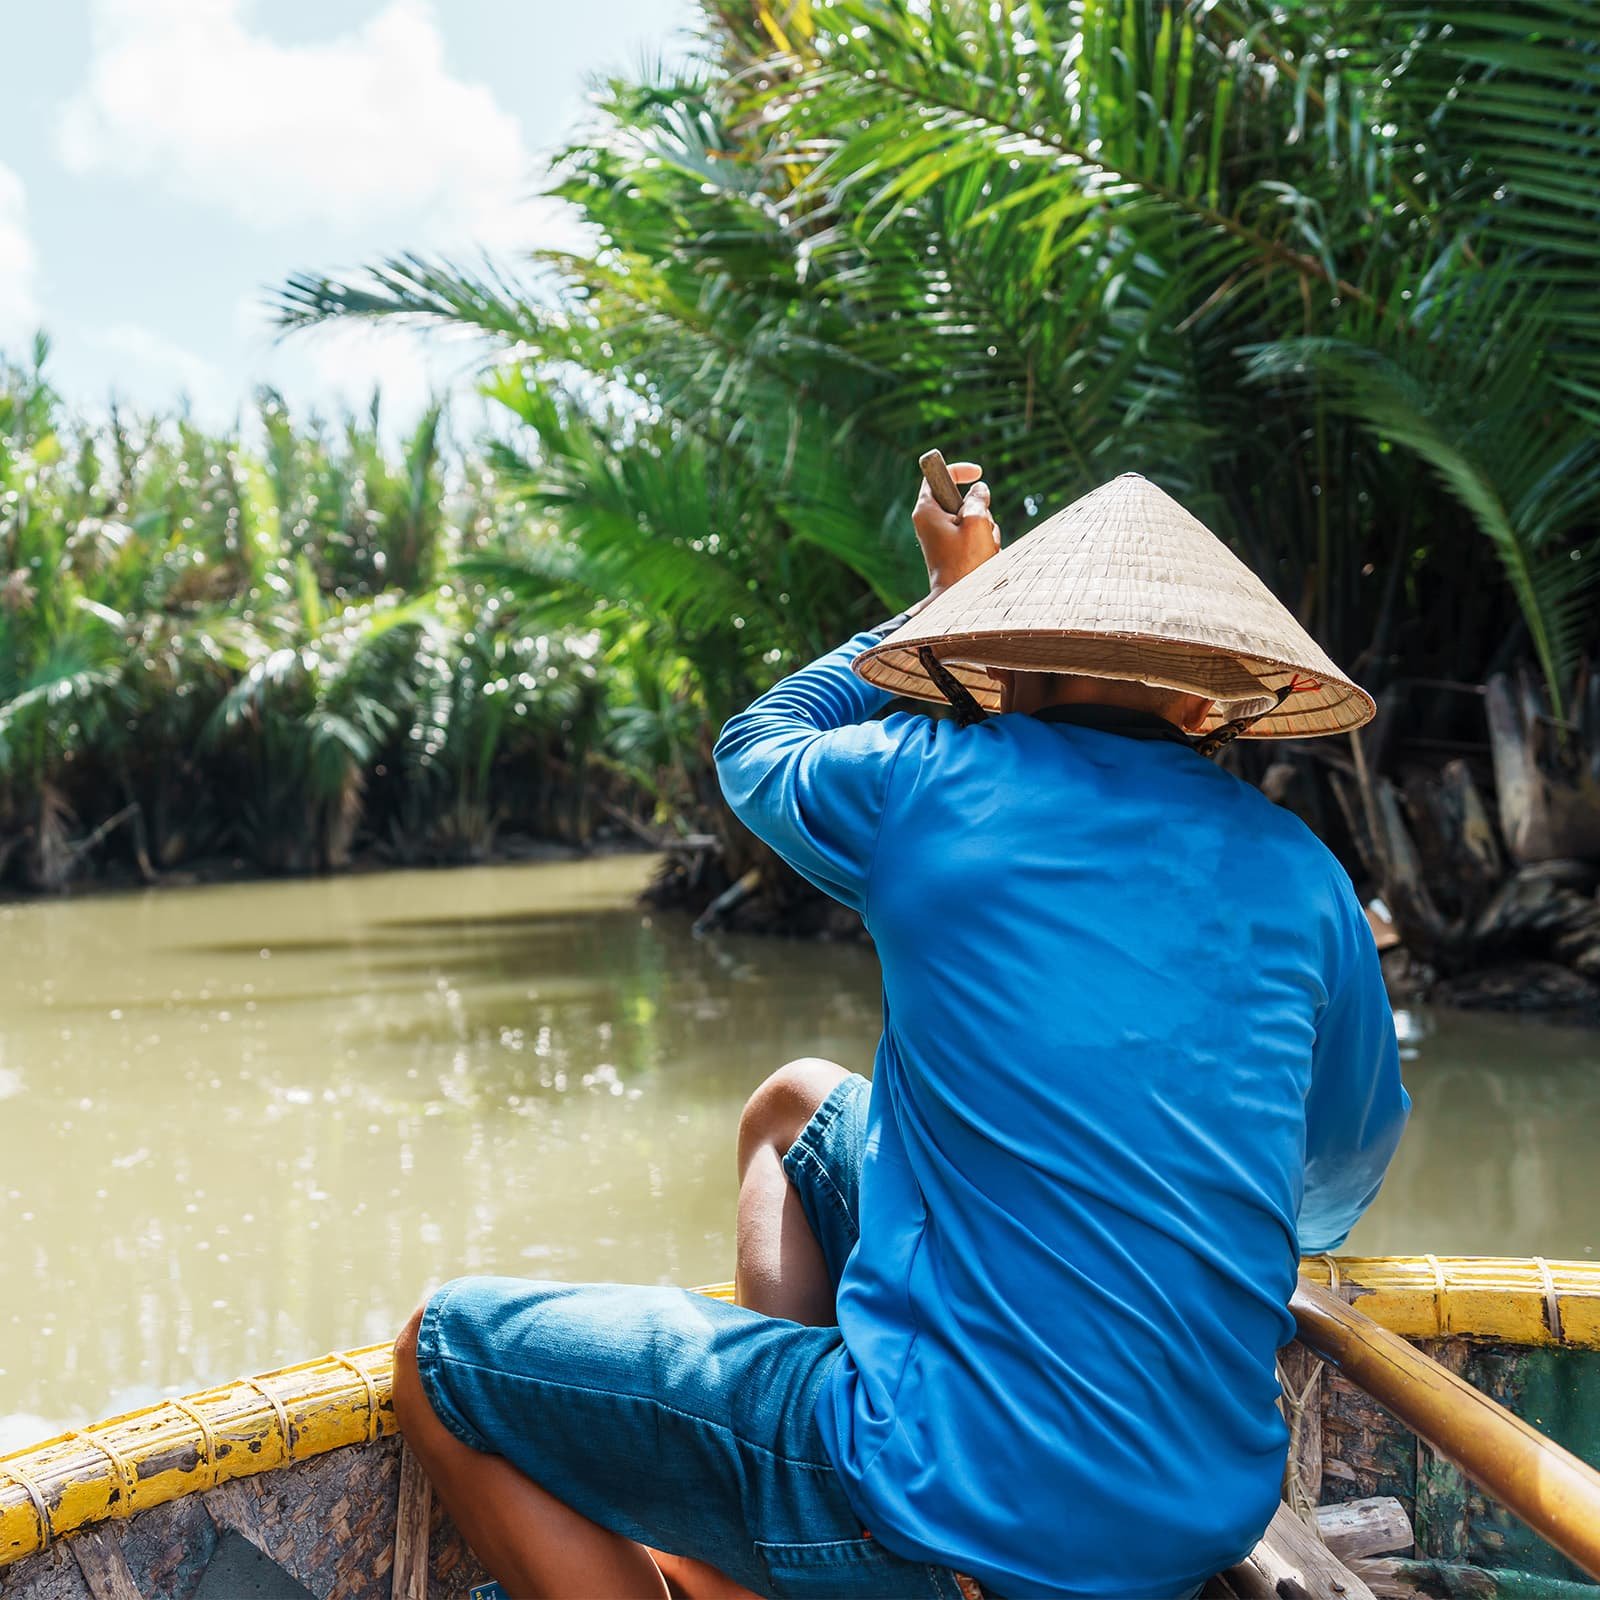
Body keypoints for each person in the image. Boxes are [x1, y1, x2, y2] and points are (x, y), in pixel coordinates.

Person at [390, 464, 1410, 1600]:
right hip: (1197, 1516)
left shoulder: (929, 784)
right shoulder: (1308, 878)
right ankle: (782, 1551)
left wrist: (939, 600)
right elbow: (1332, 1183)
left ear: (1009, 654)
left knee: (438, 1351)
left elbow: (759, 742)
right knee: (795, 1106)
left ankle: (830, 1520)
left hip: (946, 1491)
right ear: (1207, 704)